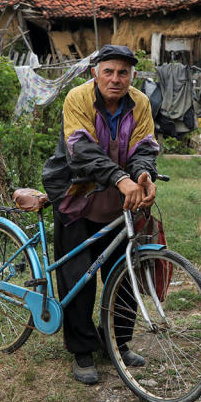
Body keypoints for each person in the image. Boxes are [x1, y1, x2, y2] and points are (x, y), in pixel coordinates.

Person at [41, 44, 159, 384]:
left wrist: (142, 175)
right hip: (76, 198)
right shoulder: (77, 98)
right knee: (78, 277)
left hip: (119, 203)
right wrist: (122, 178)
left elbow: (144, 146)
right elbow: (80, 149)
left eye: (123, 72)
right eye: (108, 71)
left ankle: (118, 343)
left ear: (132, 76)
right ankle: (82, 352)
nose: (116, 79)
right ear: (95, 73)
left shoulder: (140, 103)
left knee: (124, 274)